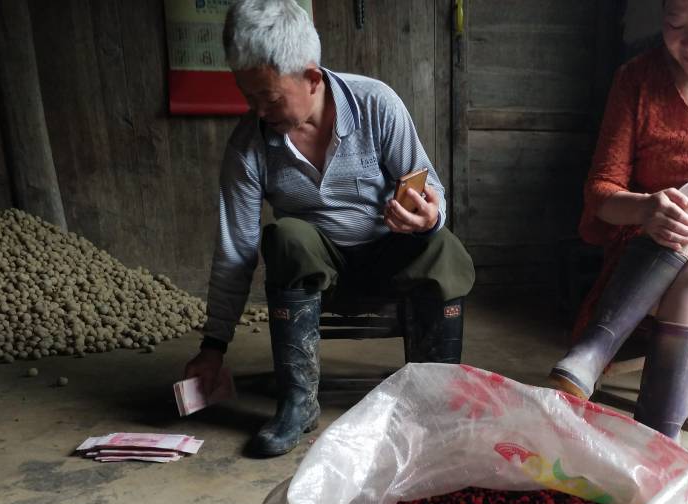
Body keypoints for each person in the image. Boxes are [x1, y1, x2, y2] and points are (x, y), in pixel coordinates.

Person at [185, 0, 475, 457]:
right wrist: (213, 346)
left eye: (269, 96)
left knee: (445, 248)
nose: (258, 110)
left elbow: (430, 187)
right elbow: (235, 251)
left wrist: (427, 215)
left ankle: (432, 405)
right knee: (286, 237)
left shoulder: (376, 103)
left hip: (388, 257)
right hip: (316, 276)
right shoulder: (249, 146)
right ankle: (298, 404)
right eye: (249, 96)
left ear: (312, 78)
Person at [548, 0, 688, 441]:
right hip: (650, 247)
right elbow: (601, 190)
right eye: (674, 25)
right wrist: (645, 209)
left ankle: (595, 349)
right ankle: (658, 450)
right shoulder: (637, 78)